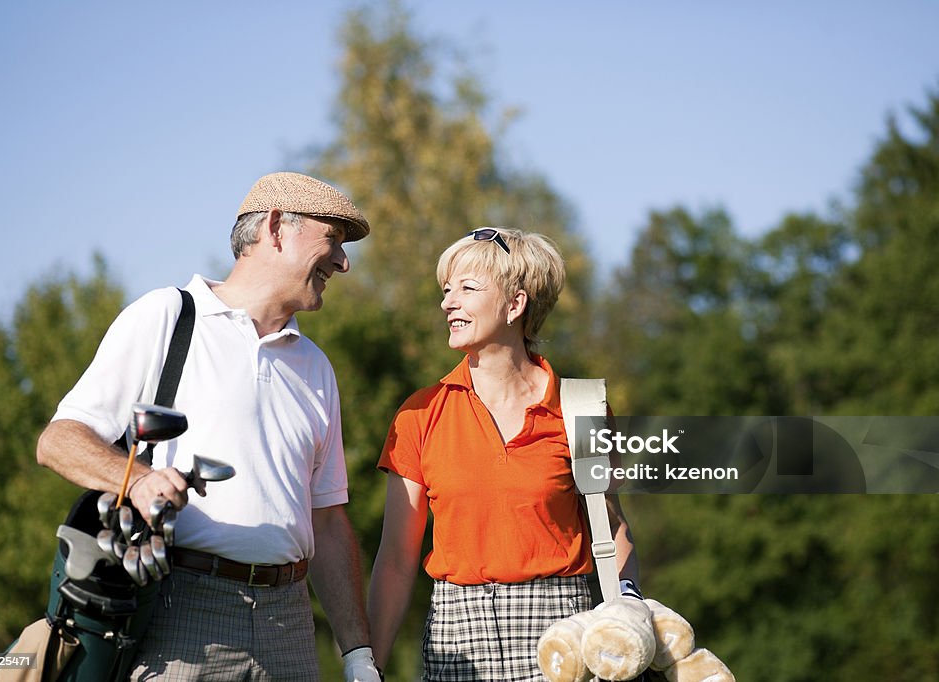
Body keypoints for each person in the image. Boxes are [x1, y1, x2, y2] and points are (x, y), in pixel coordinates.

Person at [36, 172, 383, 682]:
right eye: (331, 239)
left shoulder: (316, 367)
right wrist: (136, 479)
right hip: (183, 612)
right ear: (275, 229)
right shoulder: (168, 316)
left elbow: (328, 523)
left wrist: (358, 657)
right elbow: (59, 440)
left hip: (289, 624)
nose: (342, 262)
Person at [368, 227, 640, 680]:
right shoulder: (419, 414)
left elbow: (611, 530)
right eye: (446, 289)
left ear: (516, 305)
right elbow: (396, 559)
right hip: (456, 639)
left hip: (564, 637)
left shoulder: (583, 410)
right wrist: (368, 665)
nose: (448, 302)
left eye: (467, 288)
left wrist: (628, 609)